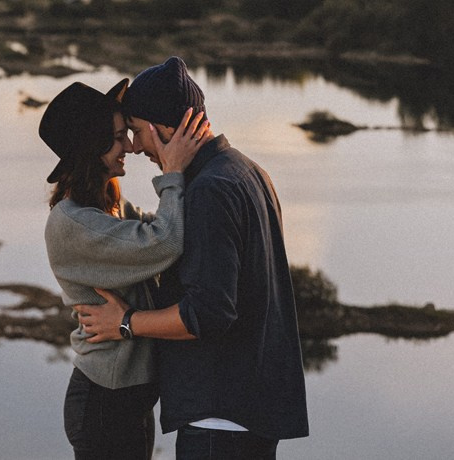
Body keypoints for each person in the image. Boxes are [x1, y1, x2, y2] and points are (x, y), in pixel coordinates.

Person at [75, 58, 309, 460]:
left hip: (219, 421)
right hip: (247, 413)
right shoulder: (248, 171)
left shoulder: (209, 191)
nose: (133, 145)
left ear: (165, 127)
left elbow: (210, 312)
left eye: (135, 130)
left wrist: (126, 323)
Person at [39, 75, 208, 460]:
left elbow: (157, 231)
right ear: (92, 146)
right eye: (118, 137)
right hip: (104, 404)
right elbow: (164, 242)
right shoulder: (74, 222)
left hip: (126, 401)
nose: (129, 147)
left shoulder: (106, 207)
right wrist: (173, 171)